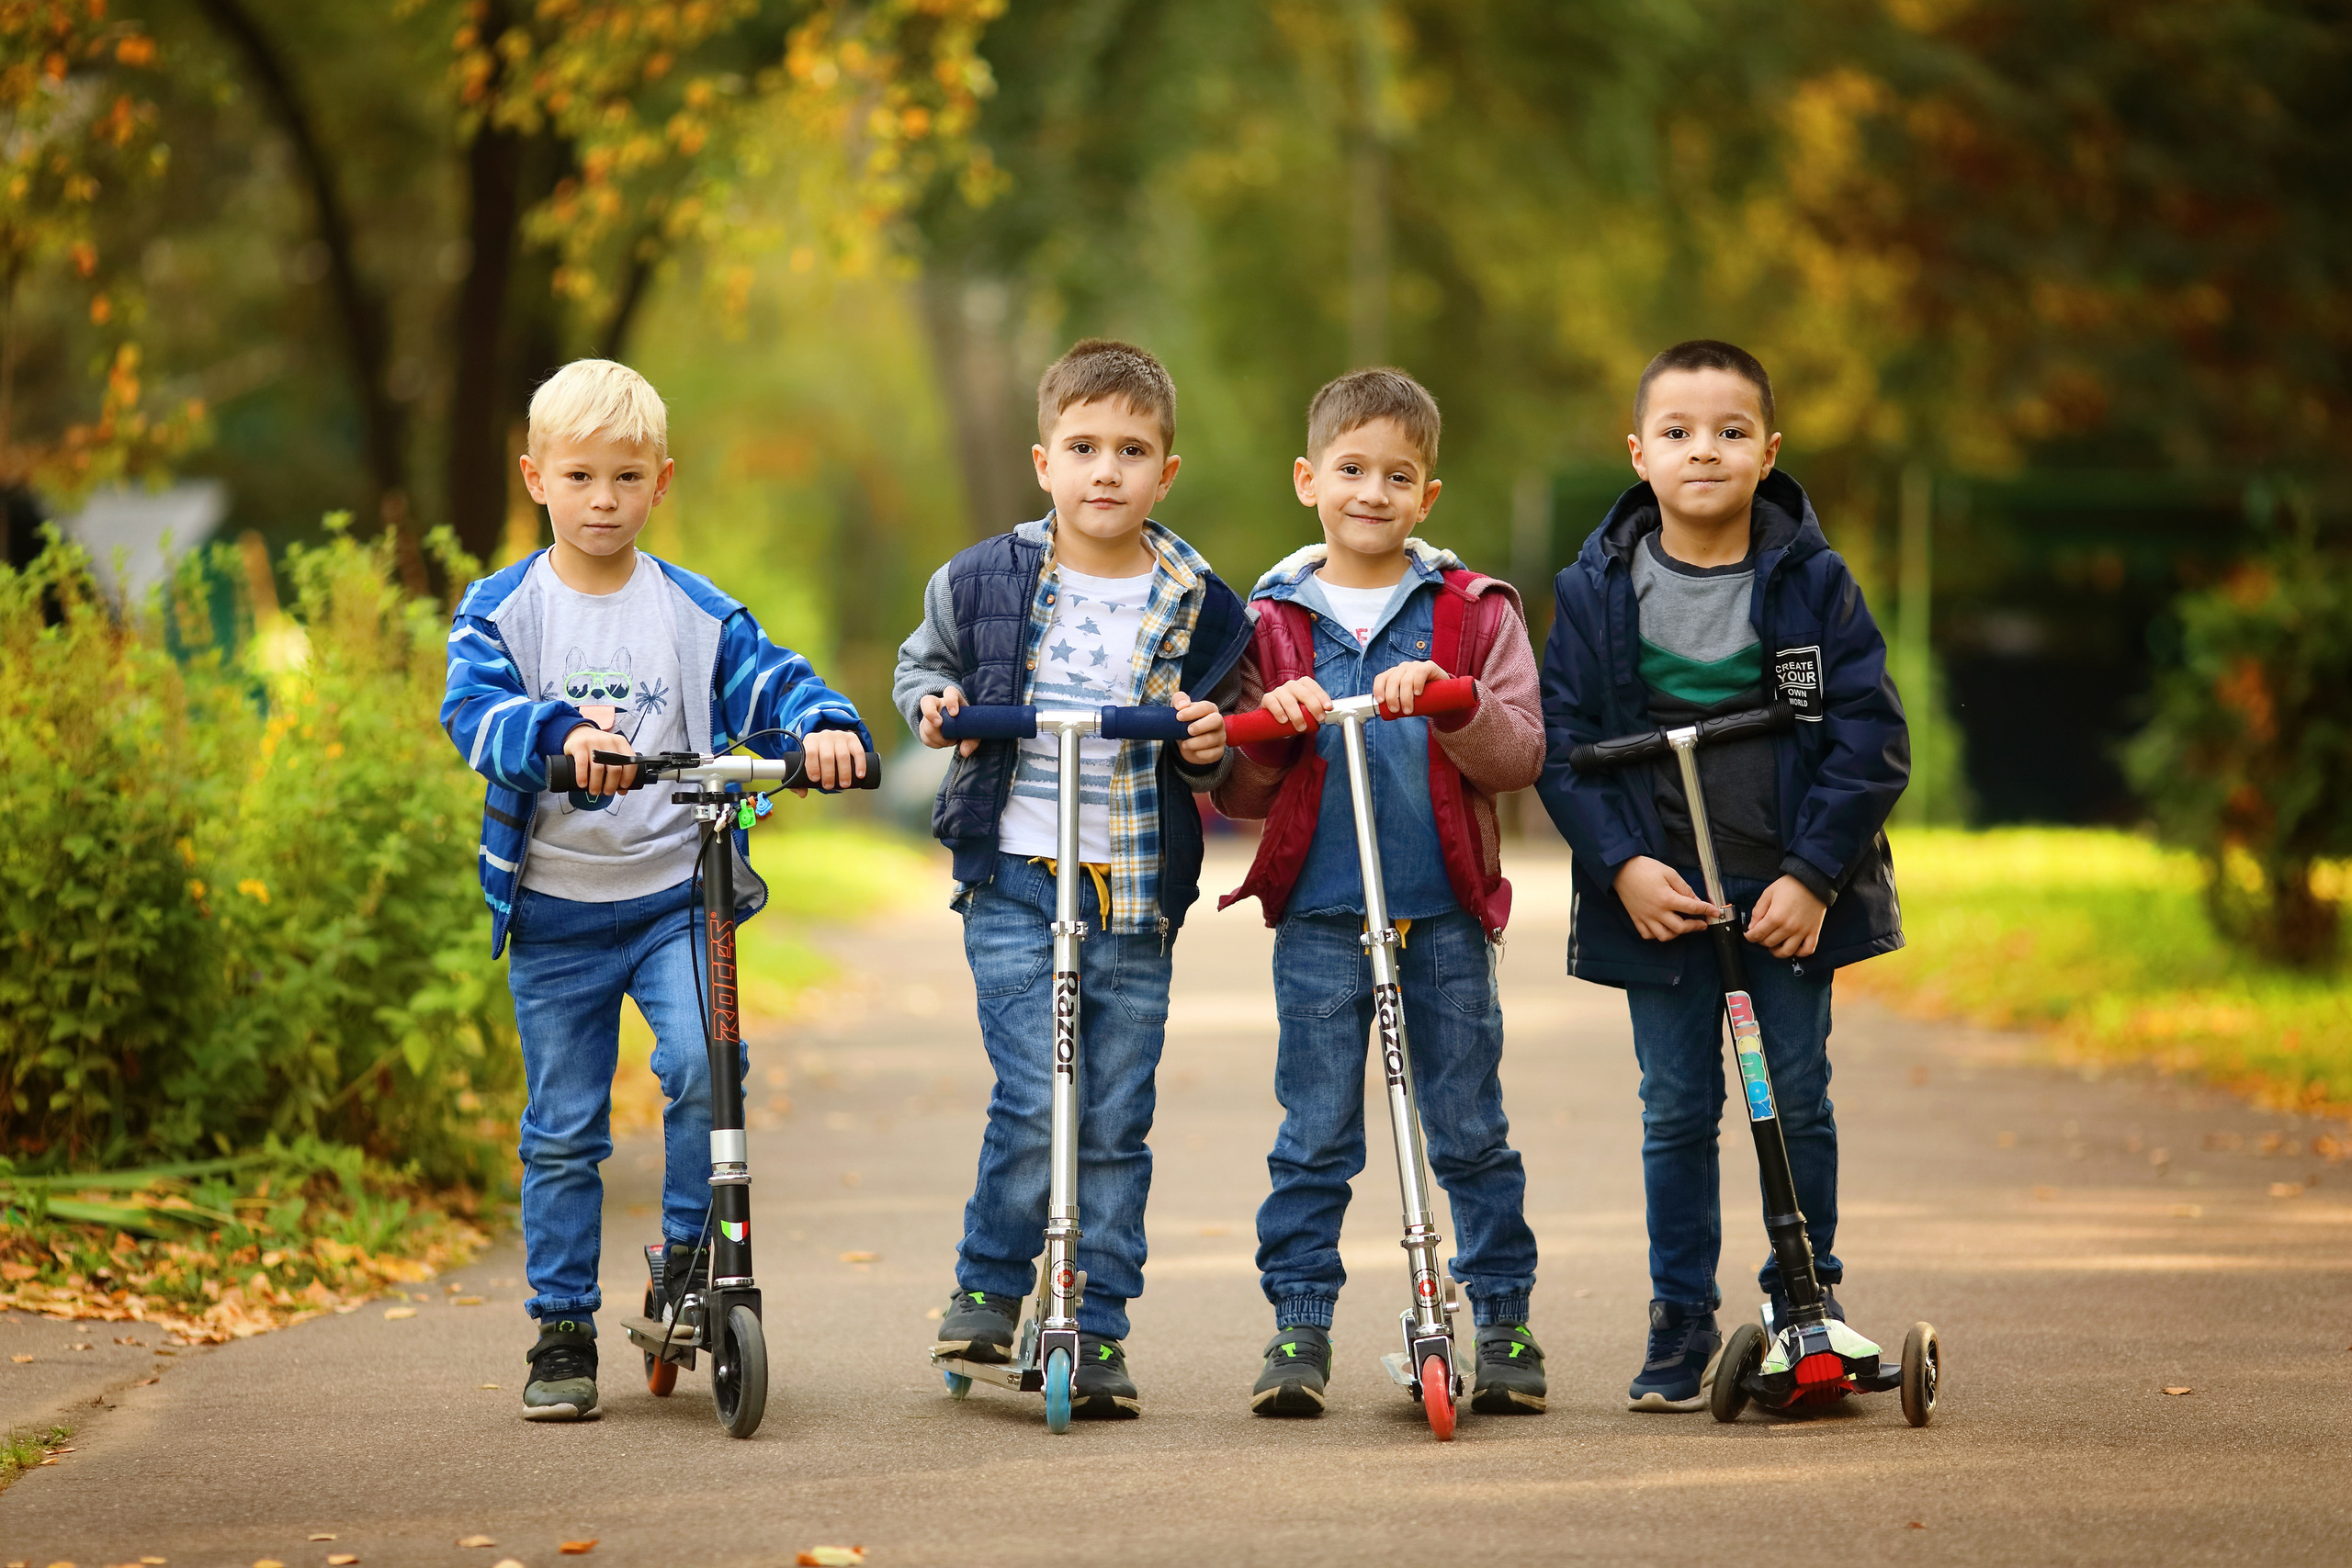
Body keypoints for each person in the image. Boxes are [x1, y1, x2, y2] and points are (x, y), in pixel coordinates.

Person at [442, 358, 871, 1421]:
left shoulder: (691, 612)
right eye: (580, 477)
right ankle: (560, 1329)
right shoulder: (503, 611)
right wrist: (558, 734)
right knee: (564, 1128)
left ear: (661, 483)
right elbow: (475, 714)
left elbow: (774, 680)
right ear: (535, 478)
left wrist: (822, 727)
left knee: (702, 1067)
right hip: (556, 912)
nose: (603, 500)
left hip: (676, 897)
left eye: (627, 478)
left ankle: (687, 1259)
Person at [1534, 339, 1907, 1412]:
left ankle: (1804, 1299)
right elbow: (1562, 748)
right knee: (1674, 1107)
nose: (1704, 450)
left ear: (1768, 452)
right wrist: (1623, 867)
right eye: (1678, 432)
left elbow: (1869, 740)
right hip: (1661, 902)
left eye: (1730, 431)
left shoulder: (1812, 583)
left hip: (1783, 898)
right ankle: (1680, 1314)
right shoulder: (1596, 591)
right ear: (1638, 455)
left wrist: (1814, 875)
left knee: (1795, 1094)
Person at [892, 338, 1250, 1419]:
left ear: (1164, 473)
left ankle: (1096, 1324)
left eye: (1131, 451)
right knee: (1035, 1093)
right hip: (1015, 875)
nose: (1106, 471)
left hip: (1132, 889)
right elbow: (924, 669)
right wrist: (934, 709)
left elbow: (1222, 735)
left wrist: (1205, 746)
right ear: (1044, 462)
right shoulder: (981, 580)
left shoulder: (1200, 602)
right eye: (1084, 448)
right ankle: (989, 1286)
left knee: (1113, 1116)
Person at [1214, 367, 1547, 1417]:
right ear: (1307, 479)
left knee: (1469, 1127)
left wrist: (1453, 702)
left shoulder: (1473, 610)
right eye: (1351, 469)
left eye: (1398, 476)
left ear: (1426, 495)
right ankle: (1298, 1323)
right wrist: (1273, 725)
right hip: (1321, 915)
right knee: (1314, 1132)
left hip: (1441, 914)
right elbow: (1238, 787)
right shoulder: (1265, 622)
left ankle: (1503, 1318)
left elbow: (1520, 753)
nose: (1372, 491)